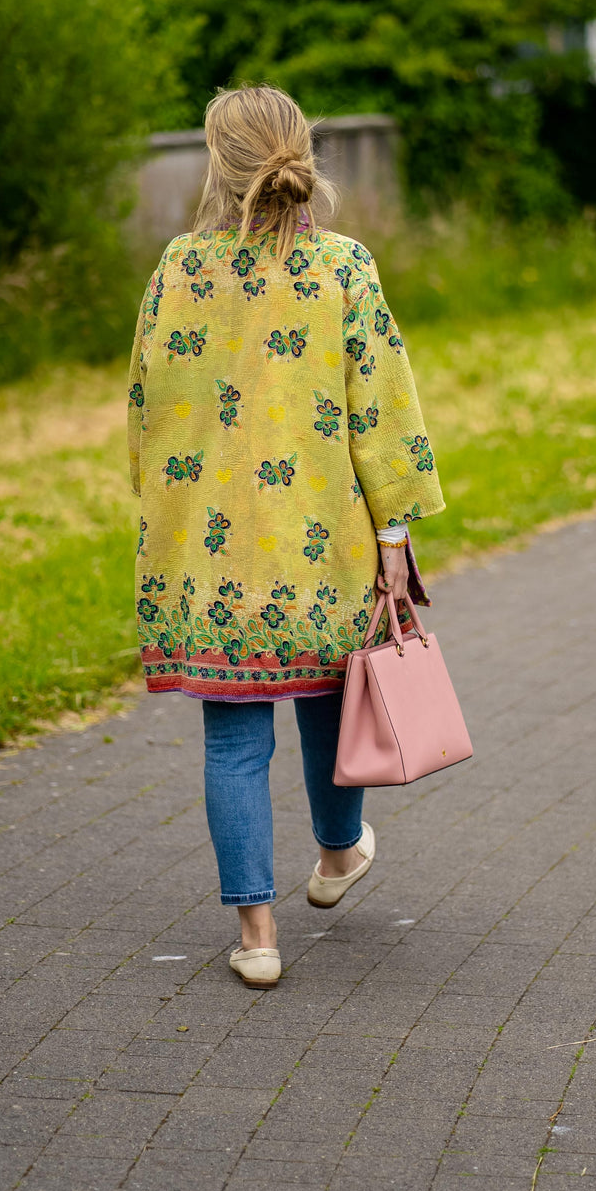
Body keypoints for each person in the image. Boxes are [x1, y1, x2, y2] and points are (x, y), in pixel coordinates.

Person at [127, 84, 444, 988]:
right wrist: (394, 530)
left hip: (208, 558)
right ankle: (338, 855)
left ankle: (258, 937)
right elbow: (382, 409)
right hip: (322, 542)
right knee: (326, 696)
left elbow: (146, 408)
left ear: (215, 165)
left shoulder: (176, 269)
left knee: (233, 738)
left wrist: (158, 512)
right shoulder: (343, 267)